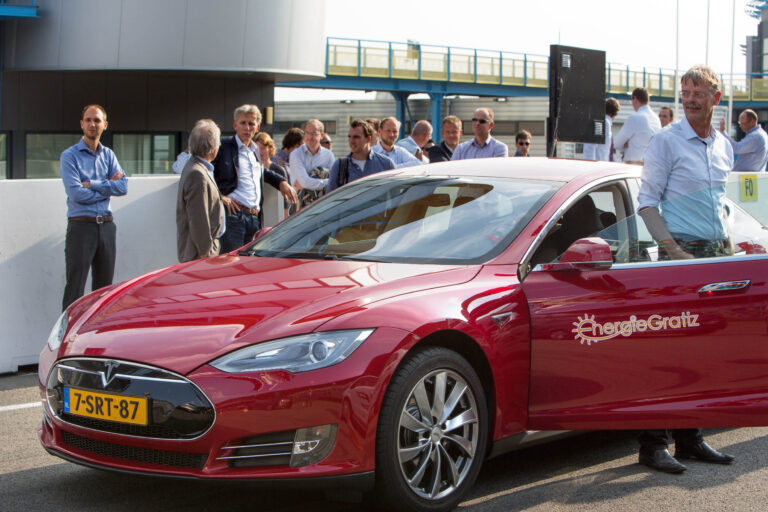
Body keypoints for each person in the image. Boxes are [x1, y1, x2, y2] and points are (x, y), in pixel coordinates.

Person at [636, 64, 735, 473]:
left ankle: (690, 439)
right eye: (685, 92)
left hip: (716, 254)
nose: (690, 99)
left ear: (715, 98)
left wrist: (732, 242)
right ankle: (652, 444)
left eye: (698, 93)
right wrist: (674, 251)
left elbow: (719, 203)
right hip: (682, 255)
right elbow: (646, 203)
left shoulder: (724, 145)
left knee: (701, 353)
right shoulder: (666, 142)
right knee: (668, 352)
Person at [59, 104, 127, 311]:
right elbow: (76, 193)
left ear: (104, 125)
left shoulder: (108, 155)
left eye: (97, 120)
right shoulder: (69, 156)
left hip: (107, 227)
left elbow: (123, 186)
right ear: (82, 124)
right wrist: (108, 185)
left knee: (105, 291)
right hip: (81, 227)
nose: (92, 124)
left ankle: (98, 338)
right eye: (88, 120)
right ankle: (67, 339)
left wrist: (94, 184)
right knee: (75, 289)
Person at [213, 104, 297, 253]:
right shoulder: (223, 146)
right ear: (235, 125)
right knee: (231, 264)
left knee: (249, 266)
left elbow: (262, 171)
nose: (247, 127)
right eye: (243, 123)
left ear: (257, 127)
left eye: (251, 123)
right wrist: (220, 197)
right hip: (233, 216)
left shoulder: (255, 150)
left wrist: (281, 182)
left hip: (254, 218)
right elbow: (205, 174)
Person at [176, 120, 224, 262]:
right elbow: (199, 218)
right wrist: (206, 252)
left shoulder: (195, 167)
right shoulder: (197, 174)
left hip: (199, 250)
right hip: (198, 253)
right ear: (214, 149)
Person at [327, 119, 395, 192]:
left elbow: (395, 196)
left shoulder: (386, 165)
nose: (351, 141)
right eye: (349, 137)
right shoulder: (340, 166)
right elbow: (330, 198)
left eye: (356, 137)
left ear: (368, 139)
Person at [613, 87, 661, 164]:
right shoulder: (656, 118)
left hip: (633, 164)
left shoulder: (635, 117)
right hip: (651, 164)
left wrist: (626, 144)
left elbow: (617, 143)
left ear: (635, 99)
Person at [288, 119, 335, 191]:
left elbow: (335, 179)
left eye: (313, 134)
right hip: (301, 201)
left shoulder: (329, 155)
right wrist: (328, 182)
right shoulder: (296, 155)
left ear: (321, 135)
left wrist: (309, 184)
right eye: (307, 133)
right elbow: (305, 182)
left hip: (324, 201)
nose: (309, 137)